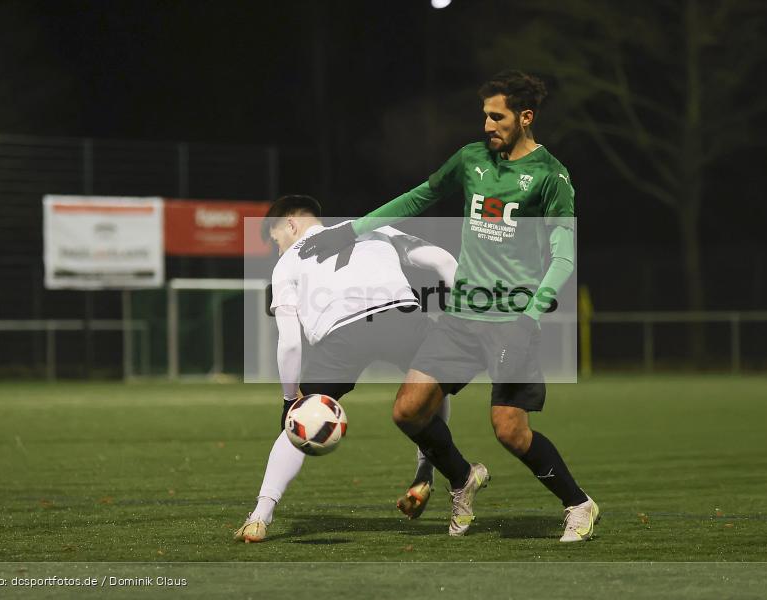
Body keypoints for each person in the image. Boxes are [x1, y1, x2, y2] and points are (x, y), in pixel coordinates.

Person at [297, 70, 598, 542]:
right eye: (484, 116)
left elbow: (563, 254)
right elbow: (420, 197)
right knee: (408, 411)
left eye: (496, 117)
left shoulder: (551, 177)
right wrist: (351, 229)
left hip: (511, 319)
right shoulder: (471, 159)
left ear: (525, 117)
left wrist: (531, 315)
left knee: (509, 431)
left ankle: (579, 504)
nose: (486, 125)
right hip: (460, 316)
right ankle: (462, 478)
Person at [234, 194, 458, 543]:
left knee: (298, 421)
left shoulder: (288, 263)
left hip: (342, 335)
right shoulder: (374, 228)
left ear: (291, 224)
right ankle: (425, 470)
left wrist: (288, 399)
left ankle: (260, 516)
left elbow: (290, 343)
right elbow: (443, 260)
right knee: (429, 386)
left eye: (277, 239)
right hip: (402, 316)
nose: (279, 249)